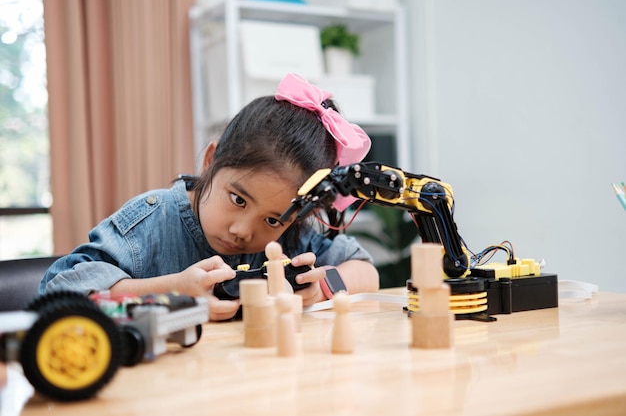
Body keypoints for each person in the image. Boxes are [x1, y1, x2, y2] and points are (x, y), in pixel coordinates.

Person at [39, 73, 379, 321]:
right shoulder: (151, 221)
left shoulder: (296, 235)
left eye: (273, 219)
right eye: (238, 200)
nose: (243, 231)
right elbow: (58, 292)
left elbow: (365, 270)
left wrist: (320, 288)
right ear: (210, 161)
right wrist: (169, 291)